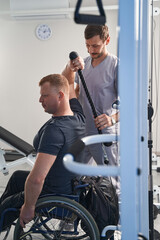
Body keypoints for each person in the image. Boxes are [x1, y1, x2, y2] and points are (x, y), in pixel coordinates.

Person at [0, 74, 85, 230]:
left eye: (45, 96)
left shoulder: (55, 130)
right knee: (17, 177)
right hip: (71, 186)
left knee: (7, 205)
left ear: (60, 95)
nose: (40, 100)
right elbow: (68, 80)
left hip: (53, 191)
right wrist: (71, 65)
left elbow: (37, 179)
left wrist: (29, 206)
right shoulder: (78, 116)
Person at [62, 24, 120, 191]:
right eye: (87, 45)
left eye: (95, 45)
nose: (90, 50)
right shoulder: (84, 65)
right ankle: (79, 214)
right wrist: (69, 68)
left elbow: (130, 106)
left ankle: (114, 217)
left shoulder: (115, 66)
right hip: (83, 131)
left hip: (105, 134)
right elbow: (68, 87)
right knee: (77, 178)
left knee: (111, 183)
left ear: (106, 40)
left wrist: (111, 119)